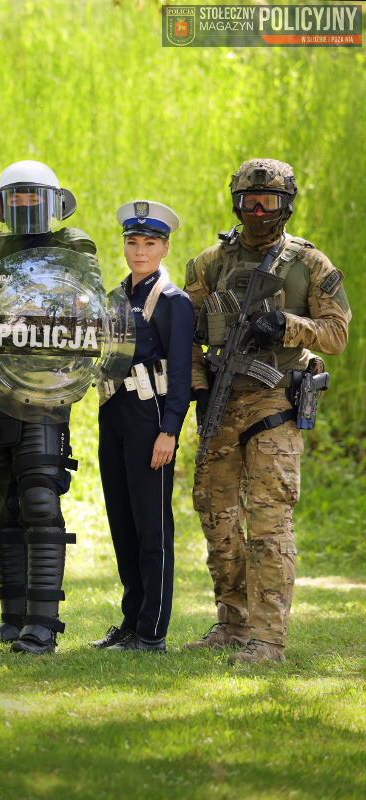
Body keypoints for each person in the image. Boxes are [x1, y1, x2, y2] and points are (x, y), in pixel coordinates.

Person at [184, 159, 350, 664]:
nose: (258, 211)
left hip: (275, 401)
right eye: (249, 202)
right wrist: (198, 386)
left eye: (269, 202)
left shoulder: (309, 264)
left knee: (268, 521)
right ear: (235, 202)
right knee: (216, 515)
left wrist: (286, 327)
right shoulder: (209, 262)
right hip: (221, 400)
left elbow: (338, 333)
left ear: (286, 204)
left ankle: (266, 639)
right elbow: (187, 335)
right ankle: (232, 624)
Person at [0, 160, 95, 654]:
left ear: (52, 202)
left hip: (44, 392)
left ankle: (42, 623)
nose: (23, 207)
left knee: (40, 501)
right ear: (0, 206)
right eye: (14, 199)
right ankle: (12, 616)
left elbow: (79, 303)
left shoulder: (74, 245)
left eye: (31, 198)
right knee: (2, 503)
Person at [92, 201, 191, 653]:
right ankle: (130, 622)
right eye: (133, 242)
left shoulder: (172, 302)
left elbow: (183, 373)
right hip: (113, 414)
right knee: (123, 523)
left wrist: (169, 431)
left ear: (165, 248)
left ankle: (152, 632)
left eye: (149, 243)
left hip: (151, 419)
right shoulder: (114, 298)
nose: (139, 251)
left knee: (153, 527)